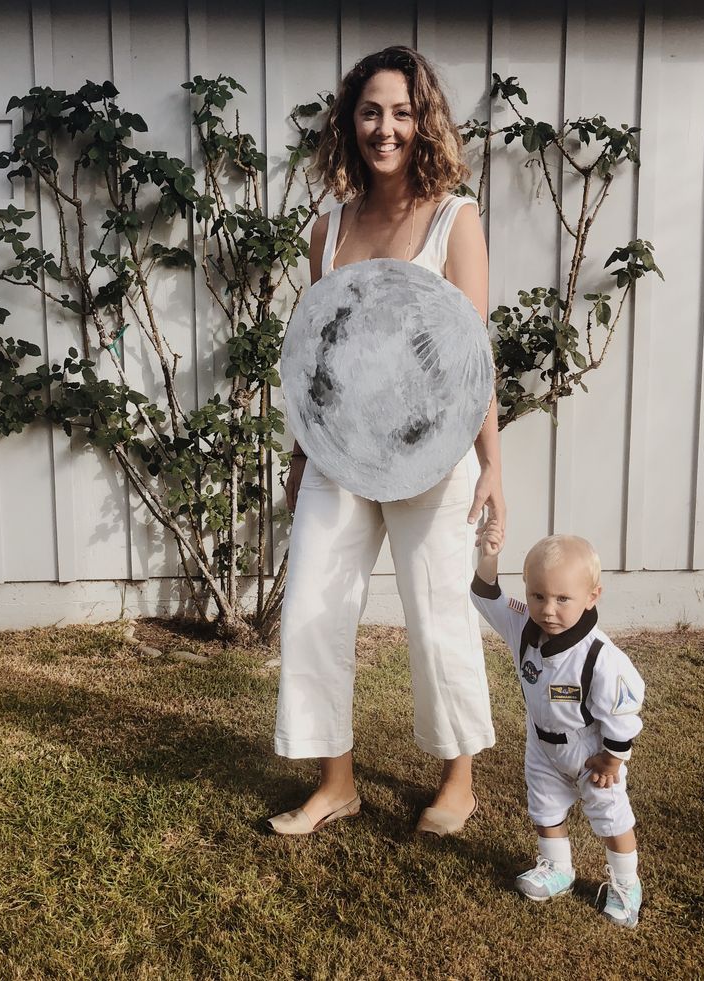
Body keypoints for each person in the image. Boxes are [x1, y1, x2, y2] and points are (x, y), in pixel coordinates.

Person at [269, 46, 505, 836]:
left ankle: (458, 780)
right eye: (371, 110)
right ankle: (336, 780)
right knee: (311, 604)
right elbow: (317, 355)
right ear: (350, 119)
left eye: (402, 112)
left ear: (423, 120)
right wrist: (302, 455)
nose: (385, 127)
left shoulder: (453, 218)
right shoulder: (328, 225)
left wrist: (492, 463)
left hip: (430, 455)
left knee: (437, 609)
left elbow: (473, 358)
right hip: (339, 449)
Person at [471, 526, 644, 927]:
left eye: (563, 598)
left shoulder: (600, 656)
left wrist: (613, 760)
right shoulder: (524, 629)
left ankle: (625, 885)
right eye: (538, 596)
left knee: (611, 816)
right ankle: (557, 868)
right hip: (542, 745)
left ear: (591, 596)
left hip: (590, 753)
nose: (548, 609)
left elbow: (623, 711)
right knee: (545, 807)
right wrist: (489, 555)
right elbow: (486, 596)